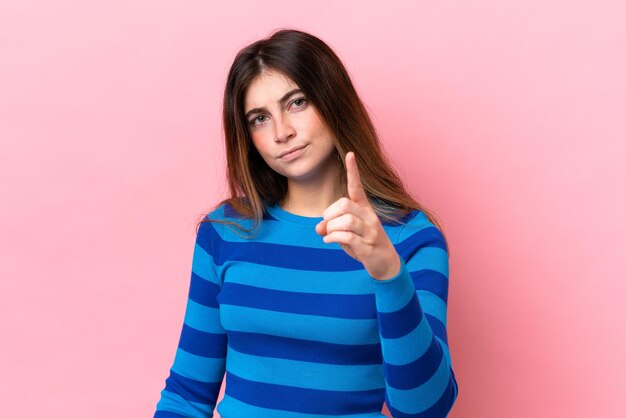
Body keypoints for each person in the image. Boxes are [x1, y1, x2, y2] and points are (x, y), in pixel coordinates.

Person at [154, 28, 459, 418]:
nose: (282, 132)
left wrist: (388, 273)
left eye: (297, 103)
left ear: (333, 103)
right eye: (259, 118)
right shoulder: (224, 232)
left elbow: (425, 409)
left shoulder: (410, 238)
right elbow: (186, 394)